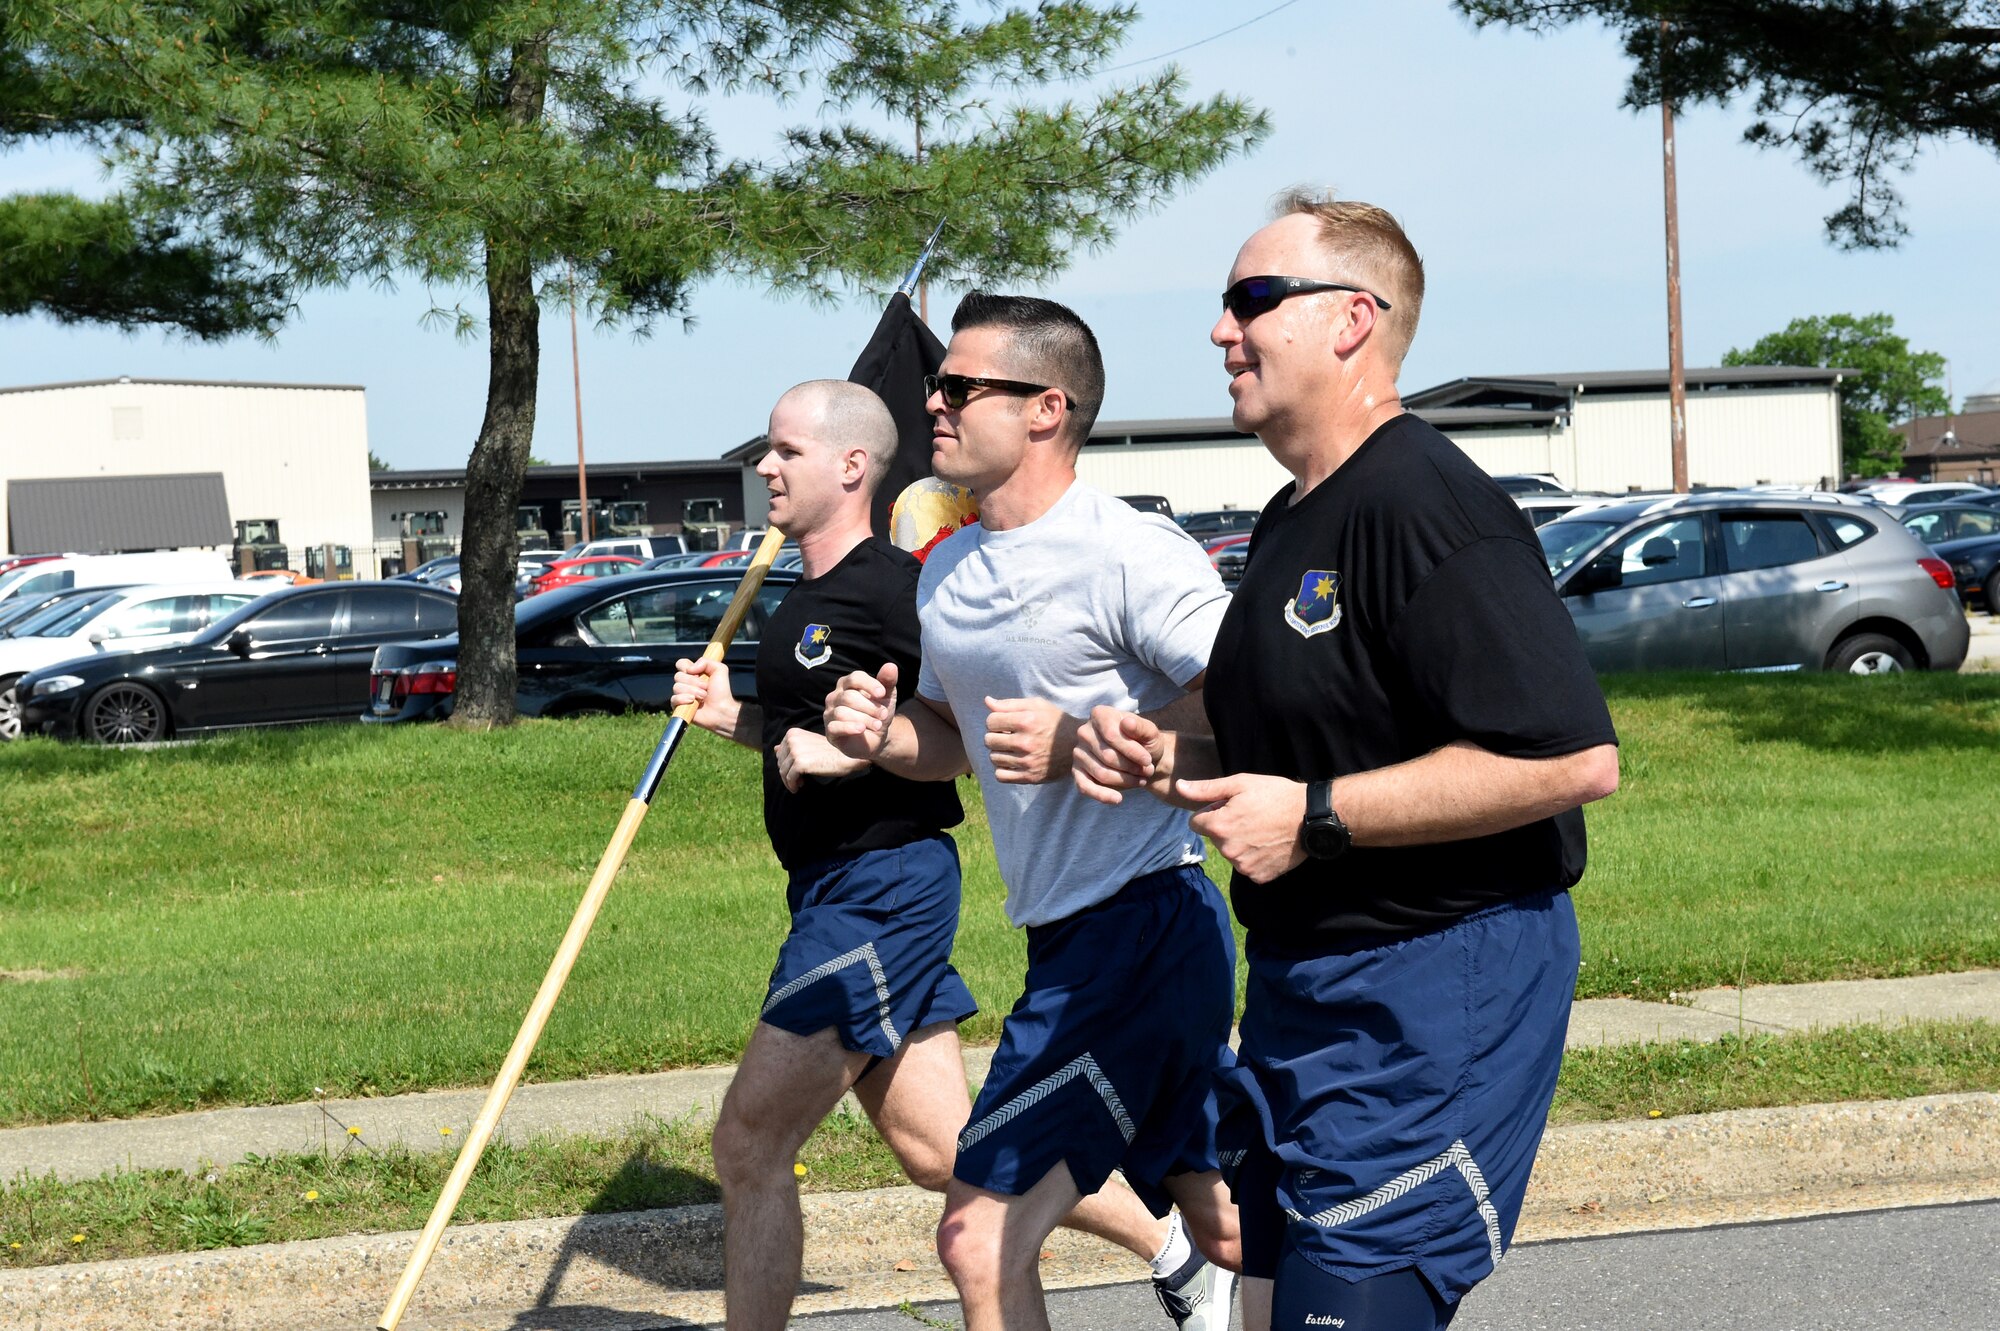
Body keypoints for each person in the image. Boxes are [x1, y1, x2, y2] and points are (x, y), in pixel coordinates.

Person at [1072, 192, 1621, 1331]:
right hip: (1295, 990)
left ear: (1351, 319)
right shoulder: (1290, 516)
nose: (1222, 332)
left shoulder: (1425, 503)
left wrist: (1313, 816)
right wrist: (1154, 744)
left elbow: (1569, 756)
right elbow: (1273, 714)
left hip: (1431, 988)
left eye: (1250, 301)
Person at [823, 294, 1243, 1331]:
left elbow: (1250, 701)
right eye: (938, 384)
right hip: (1064, 940)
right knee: (1227, 1226)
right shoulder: (949, 571)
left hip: (1142, 924)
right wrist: (880, 734)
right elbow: (955, 742)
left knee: (979, 1233)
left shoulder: (1126, 550)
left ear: (1047, 408)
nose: (932, 401)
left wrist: (1095, 738)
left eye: (961, 386)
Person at [670, 380, 979, 1331]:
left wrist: (862, 747)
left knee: (751, 1140)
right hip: (827, 888)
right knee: (946, 1155)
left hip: (883, 887)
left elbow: (958, 741)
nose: (765, 465)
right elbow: (801, 731)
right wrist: (738, 720)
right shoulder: (796, 597)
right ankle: (1181, 1247)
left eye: (785, 450)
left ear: (851, 467)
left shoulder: (899, 589)